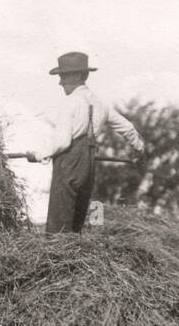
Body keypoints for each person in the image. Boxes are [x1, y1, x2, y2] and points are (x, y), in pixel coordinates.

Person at [31, 52, 144, 234]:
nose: (60, 83)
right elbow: (128, 128)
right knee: (77, 220)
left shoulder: (70, 102)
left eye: (63, 77)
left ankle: (57, 259)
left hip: (69, 162)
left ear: (76, 75)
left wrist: (39, 153)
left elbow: (62, 142)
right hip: (88, 164)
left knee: (59, 223)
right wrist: (139, 149)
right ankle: (74, 254)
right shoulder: (100, 104)